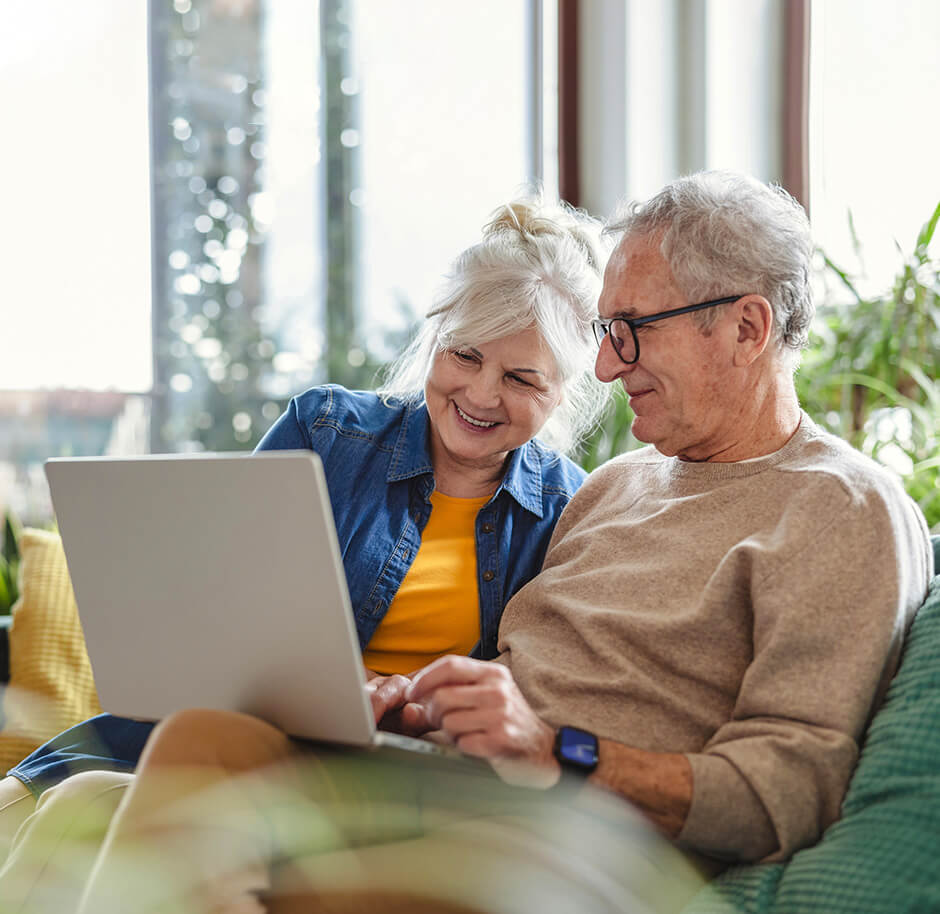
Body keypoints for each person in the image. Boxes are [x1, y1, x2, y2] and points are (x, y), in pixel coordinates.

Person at [7, 171, 937, 914]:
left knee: (172, 853)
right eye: (606, 334)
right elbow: (518, 667)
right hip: (446, 781)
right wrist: (426, 704)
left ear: (746, 326)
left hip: (580, 838)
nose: (607, 367)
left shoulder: (844, 509)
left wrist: (557, 749)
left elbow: (788, 790)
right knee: (204, 741)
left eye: (629, 333)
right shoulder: (617, 488)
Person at [0, 193, 611, 887]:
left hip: (379, 775)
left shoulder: (568, 508)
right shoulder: (327, 433)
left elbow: (536, 698)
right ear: (435, 339)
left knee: (74, 813)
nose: (480, 392)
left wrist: (420, 704)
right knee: (28, 812)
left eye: (521, 378)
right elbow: (217, 616)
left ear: (563, 391)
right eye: (465, 356)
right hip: (207, 732)